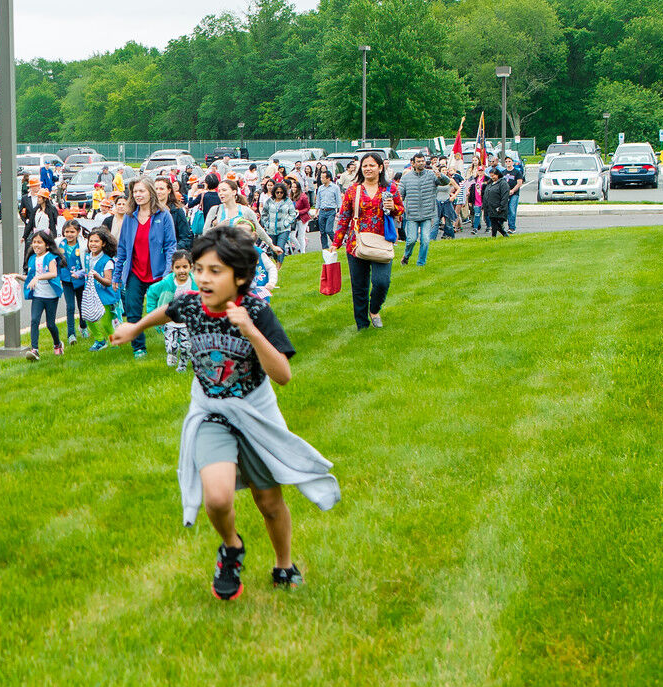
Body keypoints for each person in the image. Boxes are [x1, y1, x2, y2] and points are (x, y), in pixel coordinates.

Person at [109, 226, 336, 601]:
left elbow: (283, 375)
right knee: (216, 498)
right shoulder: (193, 303)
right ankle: (231, 548)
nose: (203, 278)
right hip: (212, 411)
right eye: (199, 269)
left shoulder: (258, 311)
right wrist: (136, 327)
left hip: (254, 414)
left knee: (268, 502)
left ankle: (284, 563)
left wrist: (250, 331)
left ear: (241, 276)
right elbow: (168, 311)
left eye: (215, 271)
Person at [333, 152, 404, 330]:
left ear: (380, 168)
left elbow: (401, 210)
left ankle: (374, 309)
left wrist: (393, 207)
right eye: (365, 165)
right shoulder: (353, 190)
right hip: (357, 244)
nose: (368, 168)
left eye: (372, 165)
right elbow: (344, 217)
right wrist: (336, 243)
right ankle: (362, 325)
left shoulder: (390, 189)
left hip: (381, 241)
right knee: (359, 287)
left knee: (382, 282)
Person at [112, 178, 178, 359]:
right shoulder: (129, 217)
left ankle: (173, 342)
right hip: (135, 272)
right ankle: (138, 348)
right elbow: (123, 248)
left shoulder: (164, 215)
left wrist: (167, 273)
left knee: (165, 310)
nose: (138, 195)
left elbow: (171, 245)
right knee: (132, 309)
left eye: (142, 191)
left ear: (150, 193)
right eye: (135, 192)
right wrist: (117, 275)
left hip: (158, 272)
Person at [10, 230, 63, 360]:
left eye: (39, 242)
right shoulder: (33, 259)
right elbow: (30, 278)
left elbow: (53, 273)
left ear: (47, 245)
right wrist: (16, 276)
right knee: (34, 320)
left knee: (50, 324)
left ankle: (57, 344)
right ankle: (35, 350)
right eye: (34, 242)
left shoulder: (50, 257)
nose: (36, 245)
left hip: (50, 296)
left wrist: (38, 278)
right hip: (38, 296)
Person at [145, 250, 194, 373]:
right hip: (169, 321)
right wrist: (152, 313)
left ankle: (182, 367)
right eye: (178, 267)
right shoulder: (167, 282)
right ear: (172, 268)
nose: (181, 270)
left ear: (191, 267)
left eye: (185, 267)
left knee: (186, 347)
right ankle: (171, 354)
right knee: (172, 346)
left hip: (187, 323)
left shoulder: (195, 283)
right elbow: (151, 292)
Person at [398, 153, 449, 266]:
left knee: (425, 240)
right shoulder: (406, 177)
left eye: (422, 161)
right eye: (418, 161)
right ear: (413, 163)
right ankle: (406, 256)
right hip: (412, 214)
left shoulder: (432, 175)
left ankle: (421, 263)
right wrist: (399, 208)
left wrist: (440, 175)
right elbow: (400, 194)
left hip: (428, 213)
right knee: (411, 240)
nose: (421, 163)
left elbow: (446, 182)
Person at [86, 227, 120, 351]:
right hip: (91, 295)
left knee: (106, 323)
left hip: (105, 296)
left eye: (96, 241)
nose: (93, 244)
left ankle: (114, 343)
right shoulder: (87, 257)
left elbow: (108, 282)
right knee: (89, 318)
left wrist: (97, 277)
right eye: (91, 241)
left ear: (103, 243)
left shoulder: (107, 261)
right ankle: (100, 340)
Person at [483, 172, 512, 238]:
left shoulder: (503, 183)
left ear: (498, 175)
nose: (492, 177)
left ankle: (496, 236)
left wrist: (502, 206)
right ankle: (499, 235)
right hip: (490, 206)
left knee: (495, 221)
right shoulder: (490, 183)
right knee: (493, 221)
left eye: (493, 175)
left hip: (498, 206)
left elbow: (505, 196)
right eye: (491, 175)